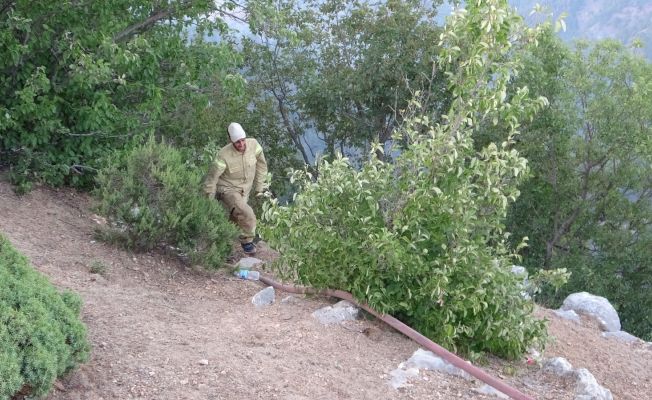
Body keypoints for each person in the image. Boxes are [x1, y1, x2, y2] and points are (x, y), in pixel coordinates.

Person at [203, 122, 269, 255]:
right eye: (238, 142)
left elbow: (262, 165)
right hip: (227, 189)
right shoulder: (223, 155)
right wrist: (208, 198)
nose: (242, 144)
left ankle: (222, 247)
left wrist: (259, 187)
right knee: (247, 213)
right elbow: (212, 177)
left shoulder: (254, 145)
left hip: (245, 190)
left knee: (235, 218)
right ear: (231, 141)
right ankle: (247, 242)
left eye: (243, 140)